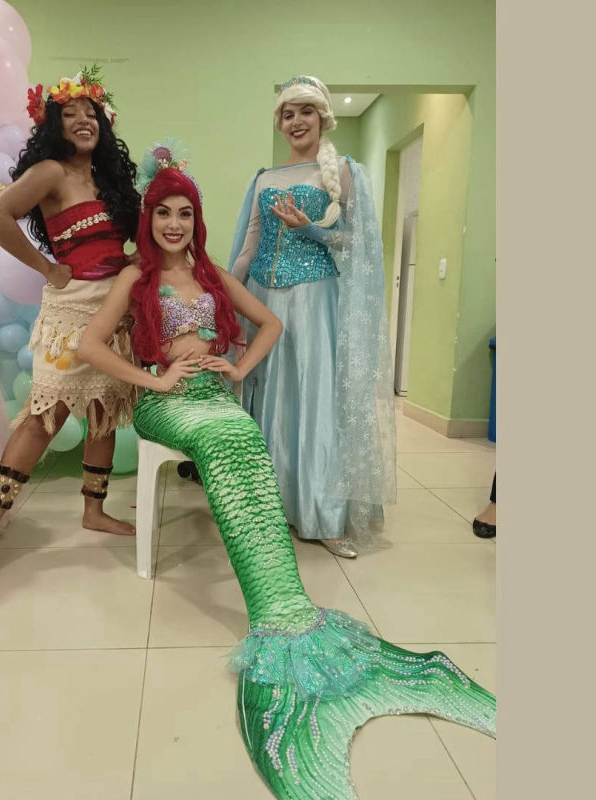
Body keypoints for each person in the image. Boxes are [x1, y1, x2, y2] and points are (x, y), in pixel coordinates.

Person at [78, 156, 495, 799]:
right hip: (168, 403)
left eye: (184, 213)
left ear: (196, 221)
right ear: (149, 218)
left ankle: (283, 607)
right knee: (231, 437)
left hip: (215, 397)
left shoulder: (212, 273)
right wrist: (153, 383)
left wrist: (239, 368)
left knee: (240, 435)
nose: (174, 223)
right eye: (163, 213)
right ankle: (277, 613)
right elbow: (89, 346)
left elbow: (272, 323)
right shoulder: (136, 276)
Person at [0, 67, 141, 585]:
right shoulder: (49, 172)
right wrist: (46, 267)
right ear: (54, 125)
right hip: (70, 309)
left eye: (92, 114)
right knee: (45, 417)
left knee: (104, 410)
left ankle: (93, 510)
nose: (84, 121)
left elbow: (119, 243)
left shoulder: (108, 179)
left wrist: (132, 264)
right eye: (71, 114)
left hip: (114, 309)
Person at [229, 75, 396, 558]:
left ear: (323, 118)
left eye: (306, 111)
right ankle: (267, 508)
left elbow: (357, 242)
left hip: (313, 300)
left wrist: (313, 232)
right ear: (279, 123)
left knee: (312, 398)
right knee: (266, 396)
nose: (296, 121)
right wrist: (224, 297)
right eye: (288, 114)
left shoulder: (343, 171)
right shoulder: (264, 178)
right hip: (263, 298)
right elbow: (249, 248)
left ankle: (321, 514)